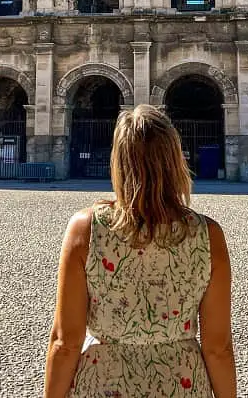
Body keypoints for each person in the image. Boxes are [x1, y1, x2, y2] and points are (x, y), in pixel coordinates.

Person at [44, 104, 237, 398]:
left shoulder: (86, 229)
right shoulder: (207, 234)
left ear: (118, 162)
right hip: (180, 382)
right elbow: (218, 348)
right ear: (175, 161)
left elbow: (65, 342)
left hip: (104, 382)